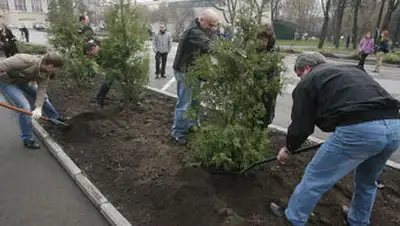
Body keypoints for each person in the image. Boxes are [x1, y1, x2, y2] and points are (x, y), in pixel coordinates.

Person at [269, 52, 400, 226]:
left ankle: (293, 218)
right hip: (394, 126)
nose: (300, 79)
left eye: (299, 75)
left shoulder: (309, 81)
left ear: (307, 68)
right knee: (367, 181)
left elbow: (302, 125)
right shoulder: (351, 71)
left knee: (315, 177)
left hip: (360, 130)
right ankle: (358, 221)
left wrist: (289, 148)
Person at [171, 9, 219, 145]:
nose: (212, 28)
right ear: (201, 20)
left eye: (214, 25)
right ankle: (177, 132)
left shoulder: (205, 30)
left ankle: (192, 124)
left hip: (195, 71)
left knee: (195, 101)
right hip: (184, 71)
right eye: (210, 25)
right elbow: (210, 46)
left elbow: (212, 40)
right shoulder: (193, 31)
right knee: (184, 103)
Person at [0, 52, 66, 149]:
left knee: (44, 98)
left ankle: (55, 119)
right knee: (24, 107)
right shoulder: (23, 60)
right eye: (56, 67)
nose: (57, 70)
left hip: (22, 82)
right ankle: (28, 139)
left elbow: (41, 89)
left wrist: (38, 107)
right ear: (51, 65)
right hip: (7, 82)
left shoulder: (46, 72)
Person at [256, 23, 280, 127]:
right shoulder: (254, 49)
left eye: (265, 40)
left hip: (269, 82)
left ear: (270, 40)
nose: (262, 43)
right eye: (260, 40)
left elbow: (269, 69)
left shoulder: (272, 51)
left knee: (267, 107)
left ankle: (264, 126)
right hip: (256, 84)